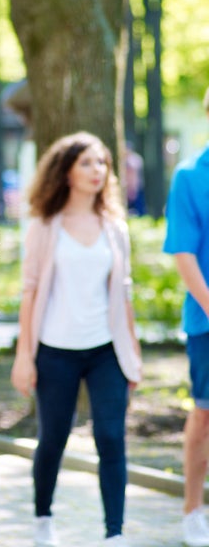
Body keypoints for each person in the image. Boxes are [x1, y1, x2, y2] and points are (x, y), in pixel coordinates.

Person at [10, 131, 142, 546]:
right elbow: (29, 294)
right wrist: (23, 357)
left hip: (106, 352)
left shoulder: (114, 228)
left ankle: (114, 533)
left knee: (110, 436)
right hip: (55, 352)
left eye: (102, 162)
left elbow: (124, 295)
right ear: (65, 172)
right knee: (53, 440)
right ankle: (43, 518)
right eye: (86, 162)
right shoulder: (45, 227)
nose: (97, 170)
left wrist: (132, 355)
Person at [163, 86, 209, 547]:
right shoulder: (190, 176)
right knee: (205, 415)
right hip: (207, 322)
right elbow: (184, 252)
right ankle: (194, 510)